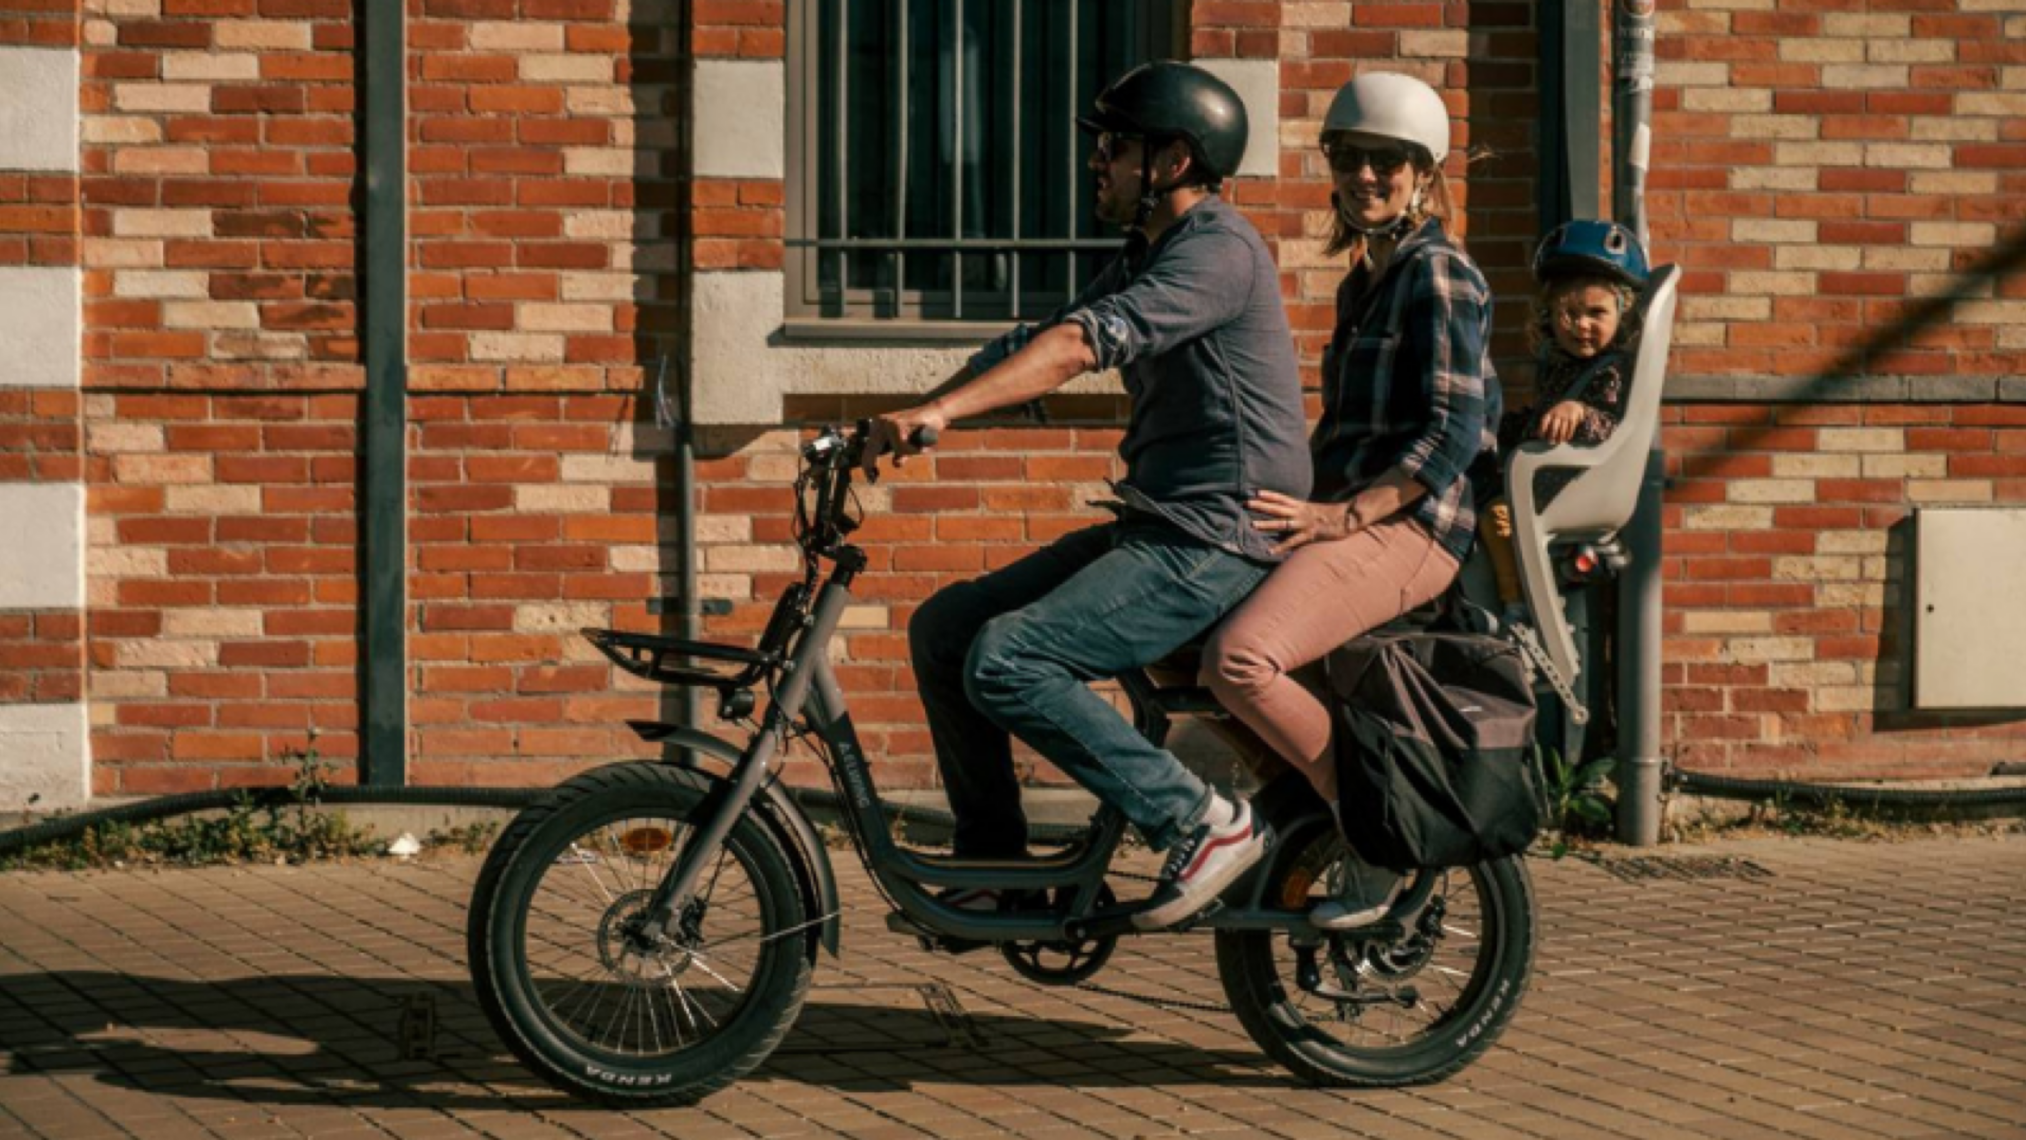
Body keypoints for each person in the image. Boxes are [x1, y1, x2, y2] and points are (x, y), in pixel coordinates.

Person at [864, 62, 1313, 931]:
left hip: (1216, 538)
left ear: (1174, 162)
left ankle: (1199, 822)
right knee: (945, 629)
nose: (1096, 161)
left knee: (1010, 657)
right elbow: (1039, 342)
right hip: (1161, 523)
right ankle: (998, 866)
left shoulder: (1220, 250)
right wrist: (908, 417)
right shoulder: (1154, 253)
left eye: (1114, 146)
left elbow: (1084, 345)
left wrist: (944, 412)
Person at [1198, 72, 1499, 929]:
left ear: (1425, 174)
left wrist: (1338, 517)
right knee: (1177, 637)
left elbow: (1451, 437)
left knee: (1242, 660)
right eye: (1350, 156)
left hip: (1414, 525)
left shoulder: (1439, 274)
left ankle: (1382, 834)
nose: (1365, 176)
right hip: (1355, 514)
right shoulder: (1367, 279)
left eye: (1389, 162)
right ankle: (1304, 807)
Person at [1476, 220, 1649, 626]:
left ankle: (1517, 603)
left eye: (1596, 313)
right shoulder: (1562, 369)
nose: (1582, 324)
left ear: (1622, 314)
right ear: (1548, 315)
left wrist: (1581, 413)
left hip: (1572, 488)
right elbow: (1540, 422)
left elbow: (1617, 429)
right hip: (1545, 481)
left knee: (1496, 516)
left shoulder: (1613, 373)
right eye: (1569, 313)